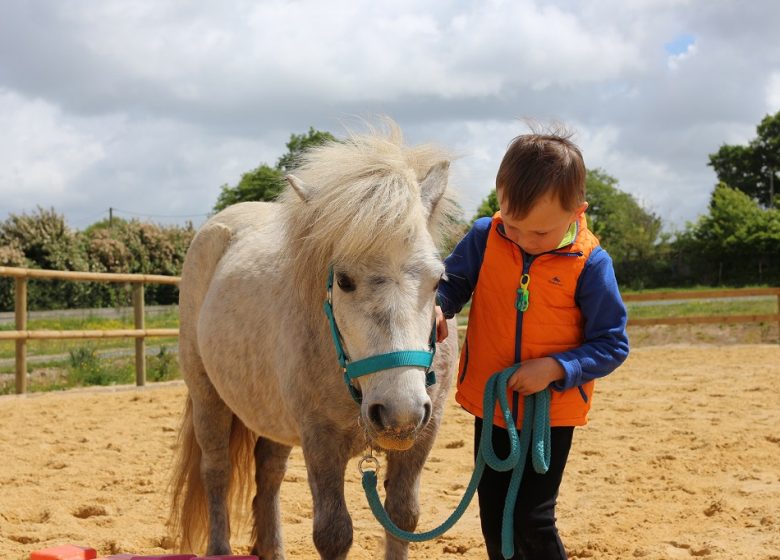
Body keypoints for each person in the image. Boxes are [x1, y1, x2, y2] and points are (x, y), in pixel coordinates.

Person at [435, 128, 629, 560]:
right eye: (513, 224)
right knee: (494, 520)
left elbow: (612, 343)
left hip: (550, 413)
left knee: (532, 518)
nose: (522, 239)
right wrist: (438, 307)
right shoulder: (487, 236)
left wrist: (556, 369)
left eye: (538, 233)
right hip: (493, 402)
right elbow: (452, 284)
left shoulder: (590, 263)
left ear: (577, 211)